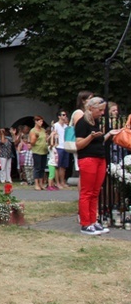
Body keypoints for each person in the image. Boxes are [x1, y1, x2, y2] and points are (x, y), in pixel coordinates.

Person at [75, 97, 119, 235]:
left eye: (102, 110)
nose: (101, 113)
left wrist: (108, 135)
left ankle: (93, 221)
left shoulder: (96, 121)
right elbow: (79, 144)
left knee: (95, 192)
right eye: (99, 110)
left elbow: (99, 140)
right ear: (90, 108)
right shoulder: (82, 123)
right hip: (88, 159)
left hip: (100, 158)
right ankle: (85, 223)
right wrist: (91, 137)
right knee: (87, 192)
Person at [30, 116, 49, 191]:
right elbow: (32, 143)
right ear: (36, 121)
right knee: (37, 168)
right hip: (37, 151)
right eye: (40, 121)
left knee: (42, 168)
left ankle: (41, 183)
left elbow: (45, 139)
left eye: (42, 121)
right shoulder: (33, 131)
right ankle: (36, 184)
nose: (41, 123)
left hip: (44, 151)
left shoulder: (43, 130)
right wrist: (36, 138)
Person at [54, 110, 70, 189]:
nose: (65, 116)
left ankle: (62, 181)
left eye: (65, 115)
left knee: (63, 166)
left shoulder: (66, 127)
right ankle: (57, 182)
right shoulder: (55, 125)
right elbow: (53, 136)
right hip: (58, 147)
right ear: (59, 116)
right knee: (57, 166)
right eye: (63, 115)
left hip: (65, 147)